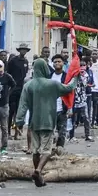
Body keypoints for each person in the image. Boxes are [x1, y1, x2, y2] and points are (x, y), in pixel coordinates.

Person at [15, 59, 77, 187]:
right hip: (48, 121)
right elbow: (69, 88)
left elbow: (22, 105)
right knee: (47, 150)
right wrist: (75, 76)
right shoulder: (52, 84)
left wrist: (19, 121)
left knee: (35, 150)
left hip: (34, 122)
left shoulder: (28, 85)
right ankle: (38, 171)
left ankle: (39, 177)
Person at [50, 54, 69, 152]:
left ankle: (59, 150)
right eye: (55, 62)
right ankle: (49, 150)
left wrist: (70, 108)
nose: (57, 63)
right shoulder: (49, 76)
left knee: (62, 131)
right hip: (50, 109)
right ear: (52, 64)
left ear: (63, 63)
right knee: (49, 131)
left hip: (62, 108)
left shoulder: (66, 77)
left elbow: (70, 93)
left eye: (59, 61)